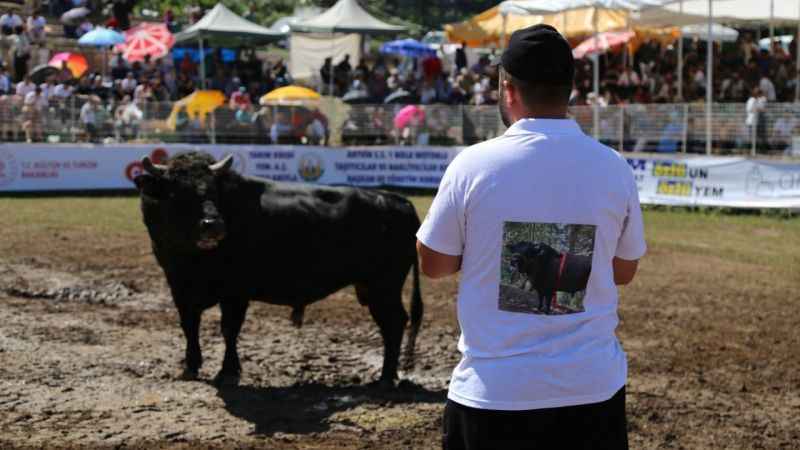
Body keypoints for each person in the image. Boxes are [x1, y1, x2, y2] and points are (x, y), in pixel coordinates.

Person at [416, 24, 646, 449]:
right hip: (591, 394)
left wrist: (484, 253)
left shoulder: (473, 165)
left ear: (507, 87)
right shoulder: (613, 167)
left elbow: (434, 265)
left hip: (494, 395)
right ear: (570, 89)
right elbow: (624, 271)